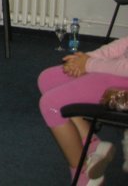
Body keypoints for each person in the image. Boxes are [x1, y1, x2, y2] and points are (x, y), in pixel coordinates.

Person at [38, 36, 128, 185]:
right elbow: (124, 44)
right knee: (48, 79)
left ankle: (82, 174)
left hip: (124, 90)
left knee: (50, 104)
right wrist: (84, 59)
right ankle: (92, 145)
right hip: (118, 73)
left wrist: (89, 64)